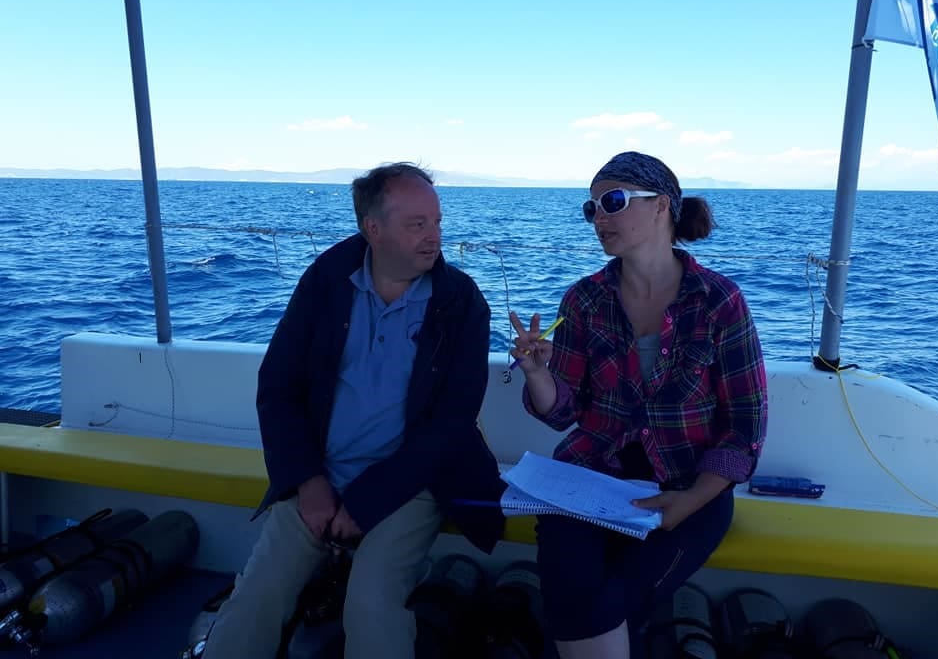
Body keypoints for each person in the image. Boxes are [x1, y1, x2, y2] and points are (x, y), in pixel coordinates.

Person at [202, 162, 506, 659]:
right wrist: (309, 482)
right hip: (320, 475)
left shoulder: (461, 302)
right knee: (256, 595)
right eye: (417, 225)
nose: (434, 237)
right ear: (374, 229)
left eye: (436, 222)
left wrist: (367, 502)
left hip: (412, 483)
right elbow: (278, 387)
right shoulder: (326, 281)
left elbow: (452, 423)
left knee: (371, 604)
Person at [510, 152, 767, 659]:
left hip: (690, 485)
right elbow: (563, 412)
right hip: (589, 478)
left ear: (661, 207)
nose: (599, 218)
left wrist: (690, 501)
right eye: (592, 208)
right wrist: (539, 374)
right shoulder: (584, 300)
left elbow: (745, 428)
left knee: (606, 605)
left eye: (612, 202)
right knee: (574, 594)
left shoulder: (719, 301)